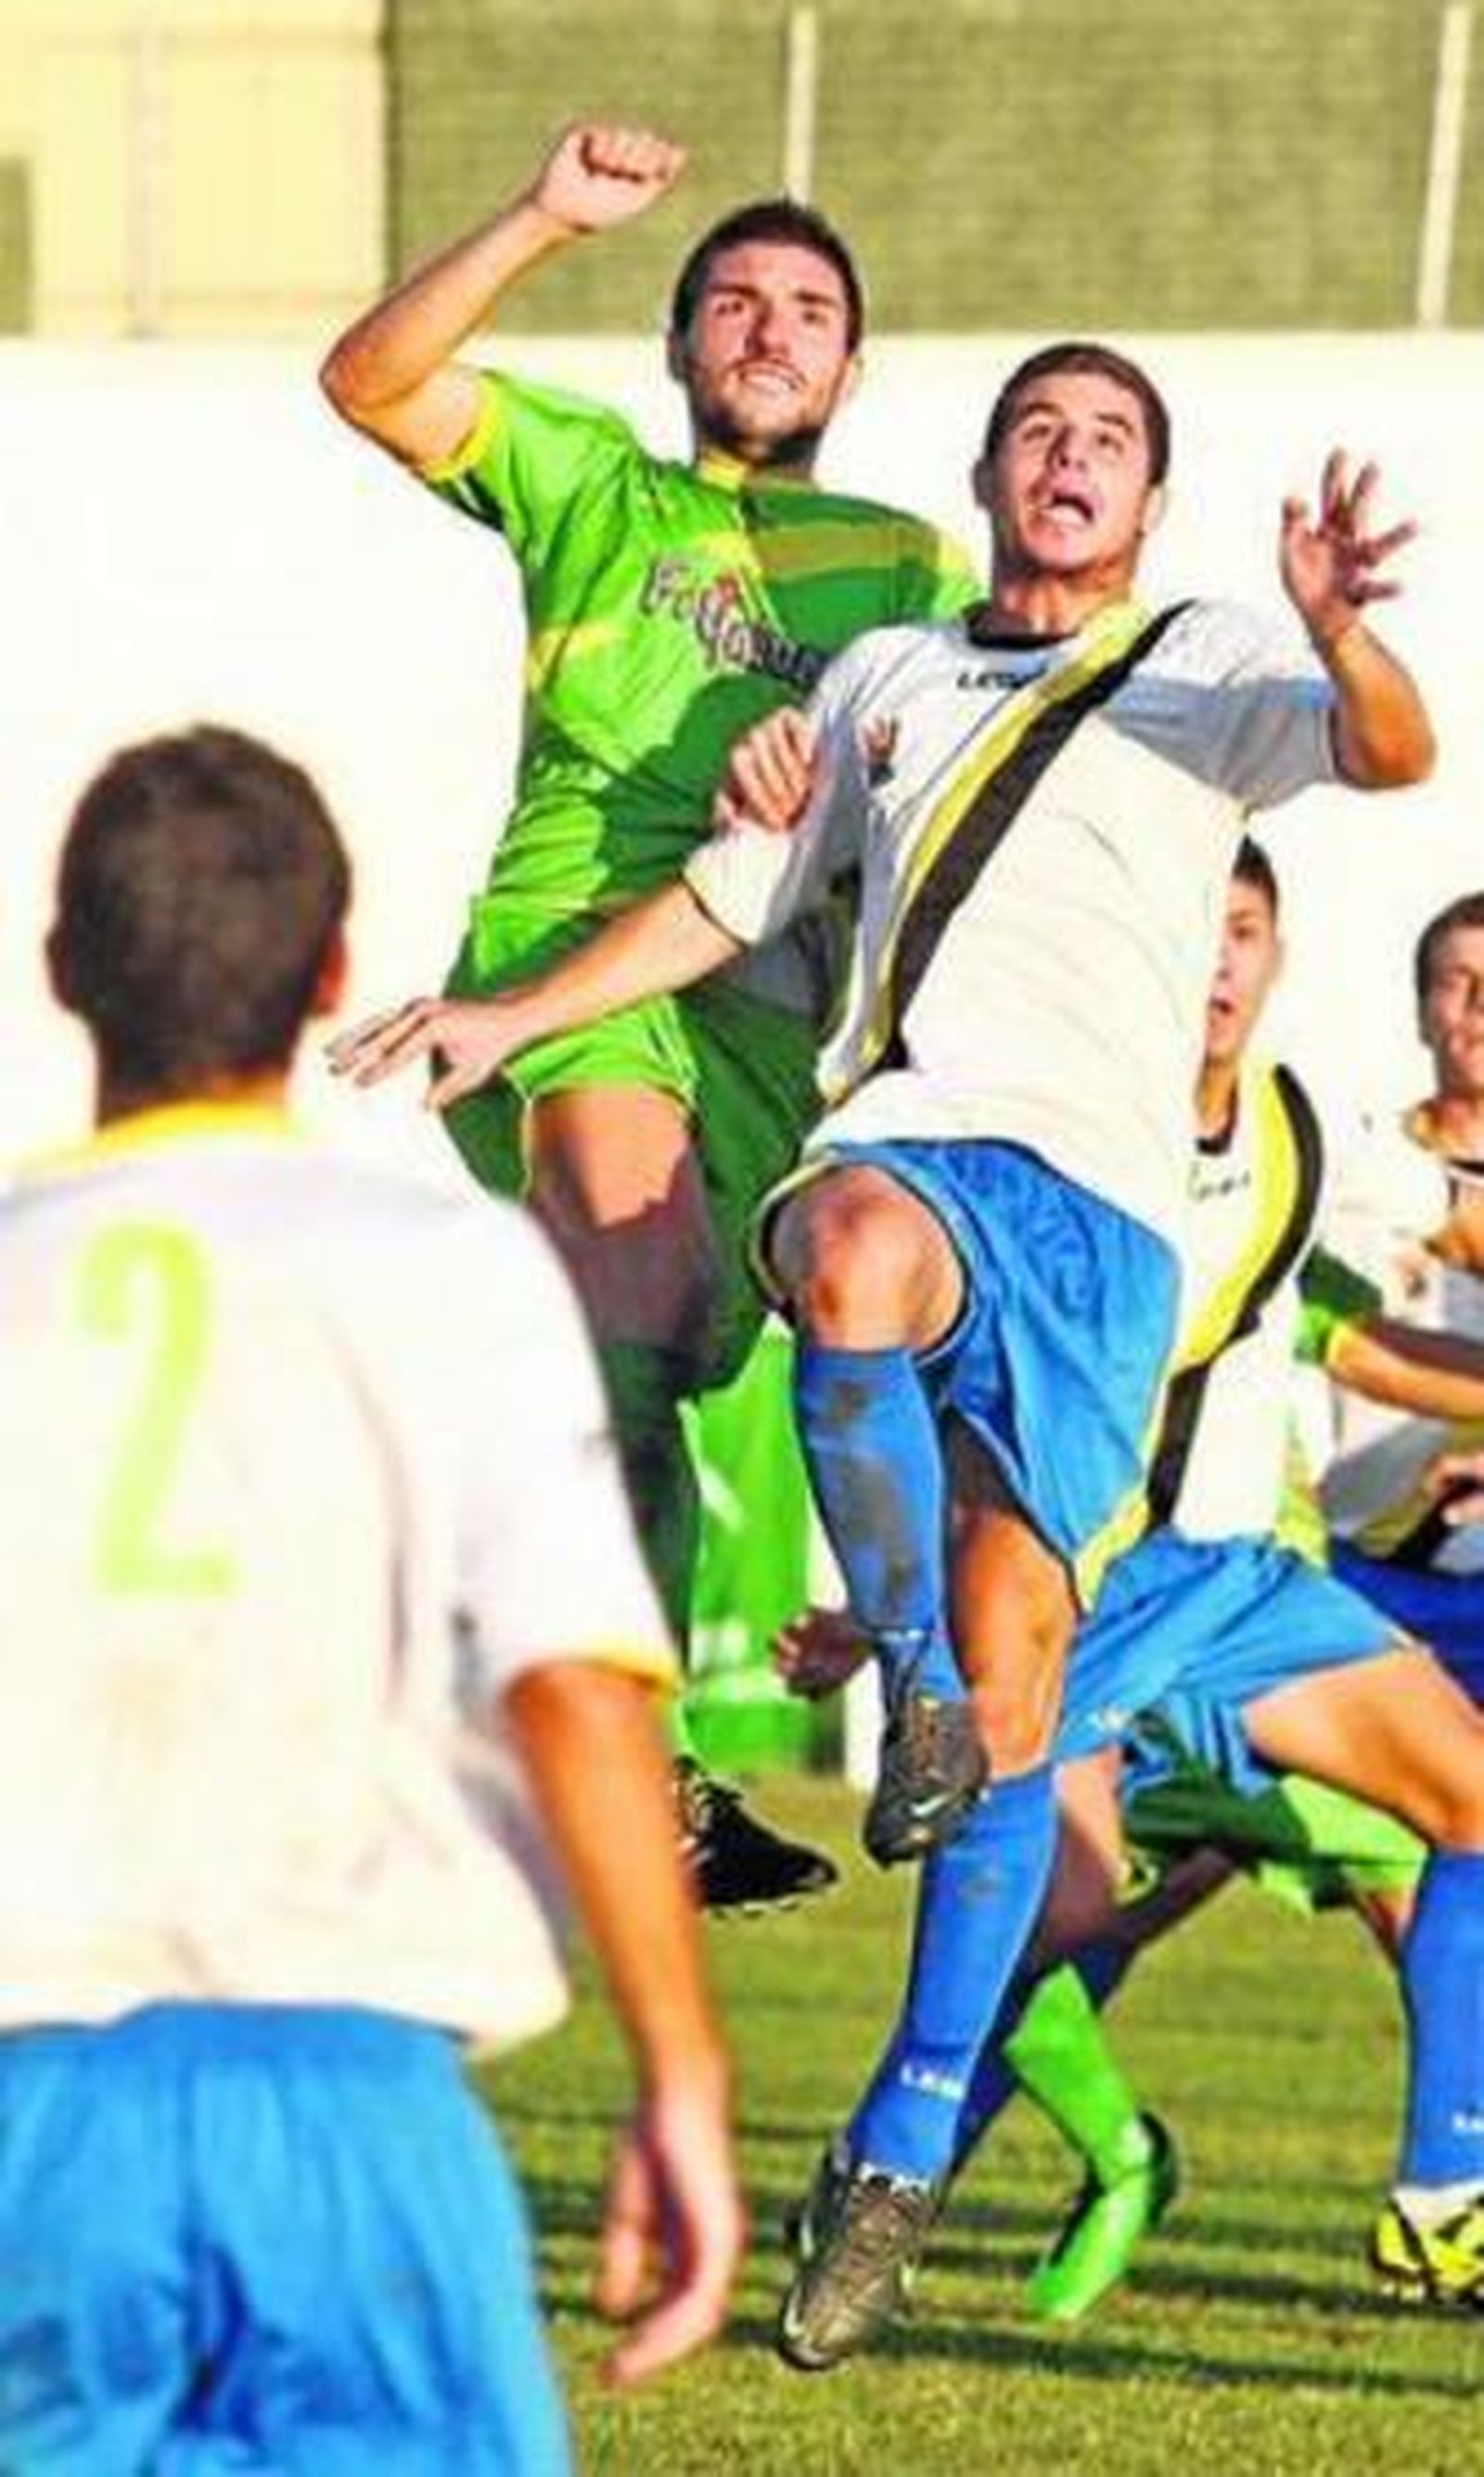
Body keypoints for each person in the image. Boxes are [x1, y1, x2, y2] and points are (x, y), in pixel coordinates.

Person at [328, 338, 1439, 2365]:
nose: (1069, 459)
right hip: (922, 1143)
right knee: (841, 1252)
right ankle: (912, 1683)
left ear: (1148, 502)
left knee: (1020, 1710)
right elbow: (723, 903)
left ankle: (900, 2144)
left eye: (1108, 438)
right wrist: (498, 1017)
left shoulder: (1203, 667)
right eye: (1039, 430)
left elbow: (1385, 755)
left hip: (1095, 1235)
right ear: (994, 476)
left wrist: (1341, 632)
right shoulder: (886, 683)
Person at [0, 726, 741, 2469]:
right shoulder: (447, 1268)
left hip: (32, 2107)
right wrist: (680, 2068)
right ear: (335, 971)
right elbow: (573, 1682)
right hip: (353, 2102)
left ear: (62, 971)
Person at [319, 121, 976, 1909]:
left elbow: (934, 783)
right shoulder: (596, 486)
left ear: (854, 362)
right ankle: (610, 1751)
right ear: (681, 343)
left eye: (809, 309)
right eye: (736, 303)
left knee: (661, 1346)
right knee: (633, 1286)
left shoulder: (911, 570)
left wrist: (837, 775)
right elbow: (370, 379)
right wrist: (542, 214)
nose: (771, 329)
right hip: (565, 966)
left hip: (762, 1007)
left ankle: (511, 1652)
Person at [780, 842, 1484, 2340]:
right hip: (1092, 1587)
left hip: (1240, 1592)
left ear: (1278, 955)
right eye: (1196, 929)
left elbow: (1418, 1260)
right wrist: (887, 1609)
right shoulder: (1059, 1142)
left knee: (1471, 1804)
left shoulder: (1305, 1126)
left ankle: (1444, 2195)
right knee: (1060, 1907)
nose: (1219, 963)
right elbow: (955, 1383)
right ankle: (892, 2161)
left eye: (1244, 932)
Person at [1311, 890, 1484, 1702]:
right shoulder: (1361, 1175)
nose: (1480, 1007)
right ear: (1421, 1014)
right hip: (1372, 1575)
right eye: (1458, 981)